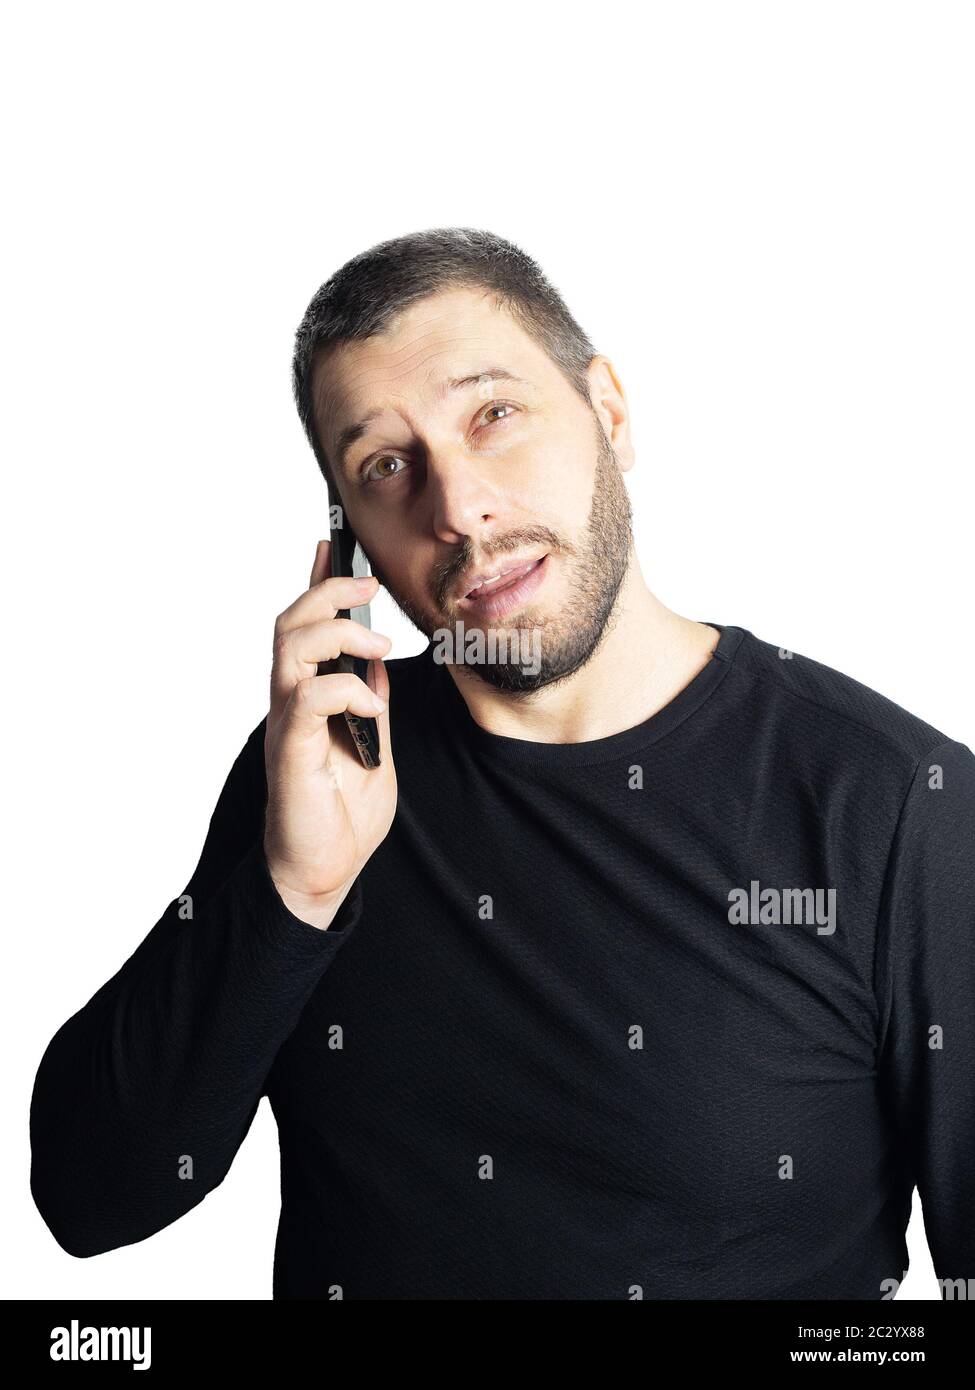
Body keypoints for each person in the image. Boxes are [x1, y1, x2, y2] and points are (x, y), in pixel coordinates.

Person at [30, 228, 975, 1300]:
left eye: (495, 414)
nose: (460, 509)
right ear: (352, 548)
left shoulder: (898, 807)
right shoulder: (320, 776)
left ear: (609, 415)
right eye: (387, 465)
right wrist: (295, 893)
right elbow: (89, 1197)